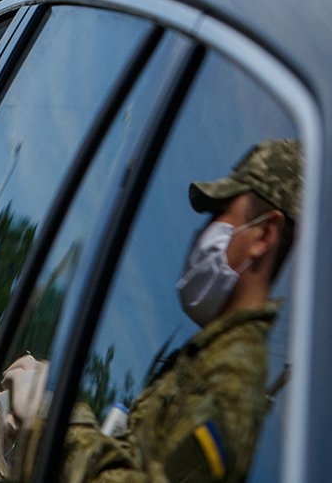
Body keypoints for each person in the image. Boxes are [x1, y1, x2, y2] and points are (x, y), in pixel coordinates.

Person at [57, 138, 302, 483]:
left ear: (264, 234)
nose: (202, 234)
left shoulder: (232, 377)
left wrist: (59, 424)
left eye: (219, 214)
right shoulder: (208, 356)